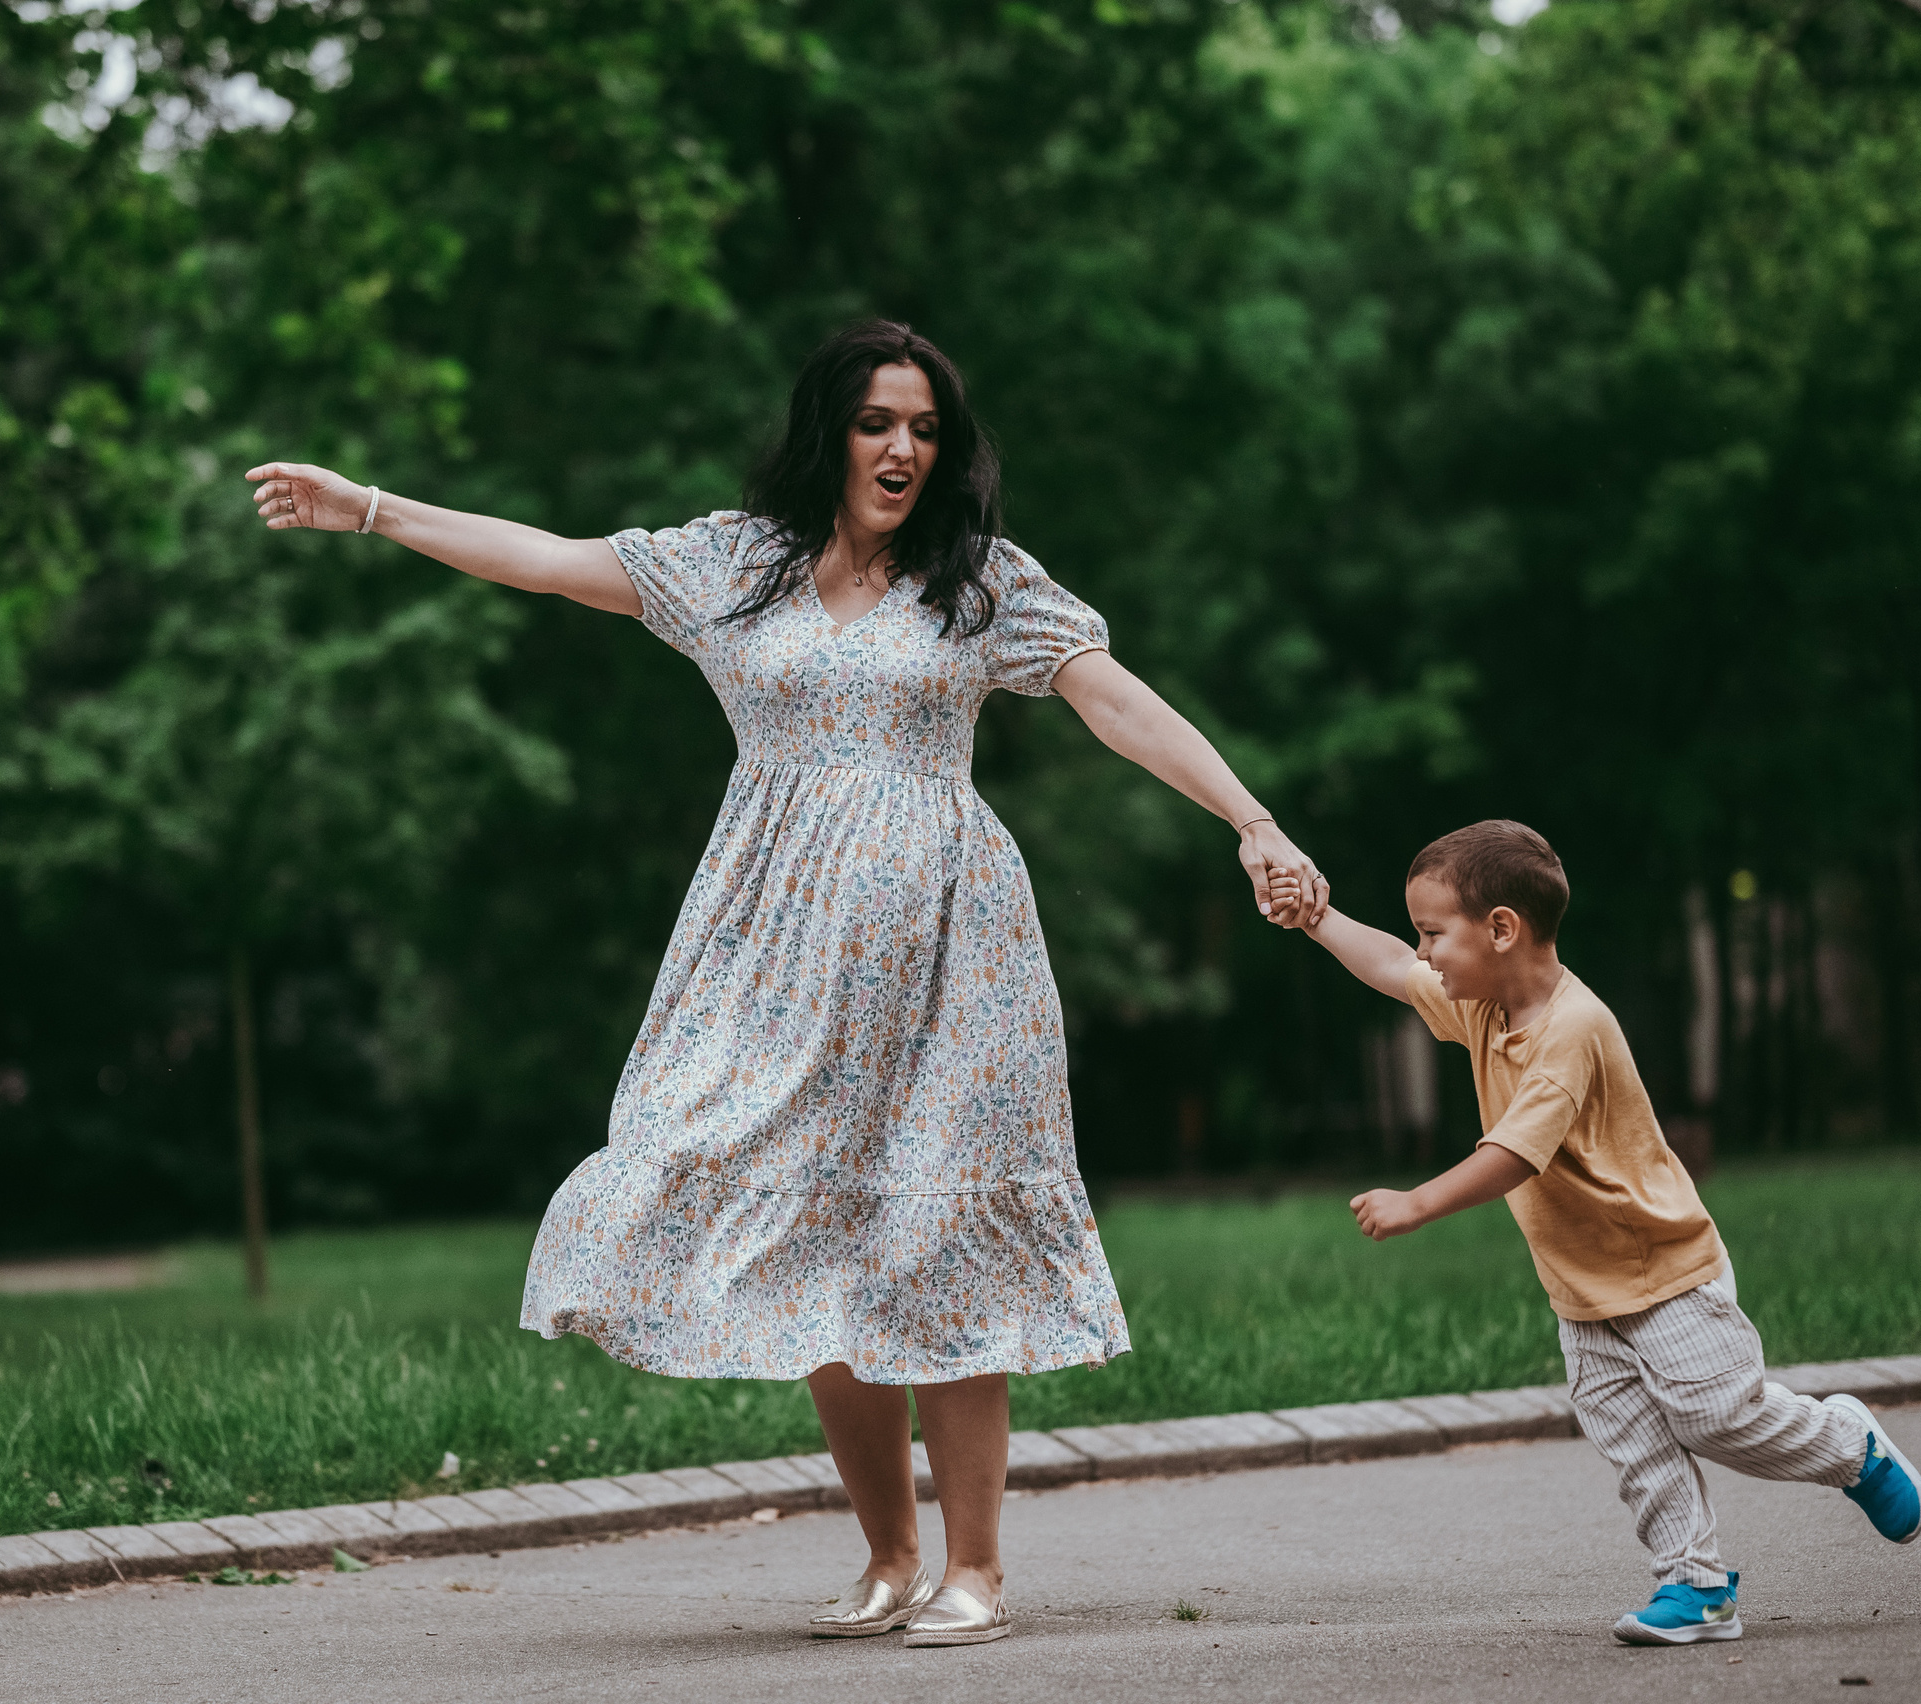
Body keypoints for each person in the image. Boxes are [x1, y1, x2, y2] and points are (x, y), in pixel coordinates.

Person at [246, 319, 1327, 1647]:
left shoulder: (975, 582)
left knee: (938, 1238)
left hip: (953, 947)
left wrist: (1252, 819)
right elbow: (545, 562)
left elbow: (1113, 698)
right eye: (879, 422)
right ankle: (888, 1557)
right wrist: (367, 509)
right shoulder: (735, 570)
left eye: (926, 429)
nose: (905, 449)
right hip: (770, 950)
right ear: (830, 431)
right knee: (817, 1236)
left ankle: (976, 1567)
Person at [1279, 819, 1921, 1646]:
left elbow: (1515, 1152)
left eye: (1434, 932)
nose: (1424, 951)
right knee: (1631, 1439)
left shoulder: (1572, 1027)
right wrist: (1315, 917)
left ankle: (1851, 1446)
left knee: (1716, 1416)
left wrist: (1419, 1202)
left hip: (1664, 1273)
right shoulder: (1484, 1005)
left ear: (1502, 929)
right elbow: (1386, 967)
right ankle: (1694, 1586)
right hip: (1583, 1288)